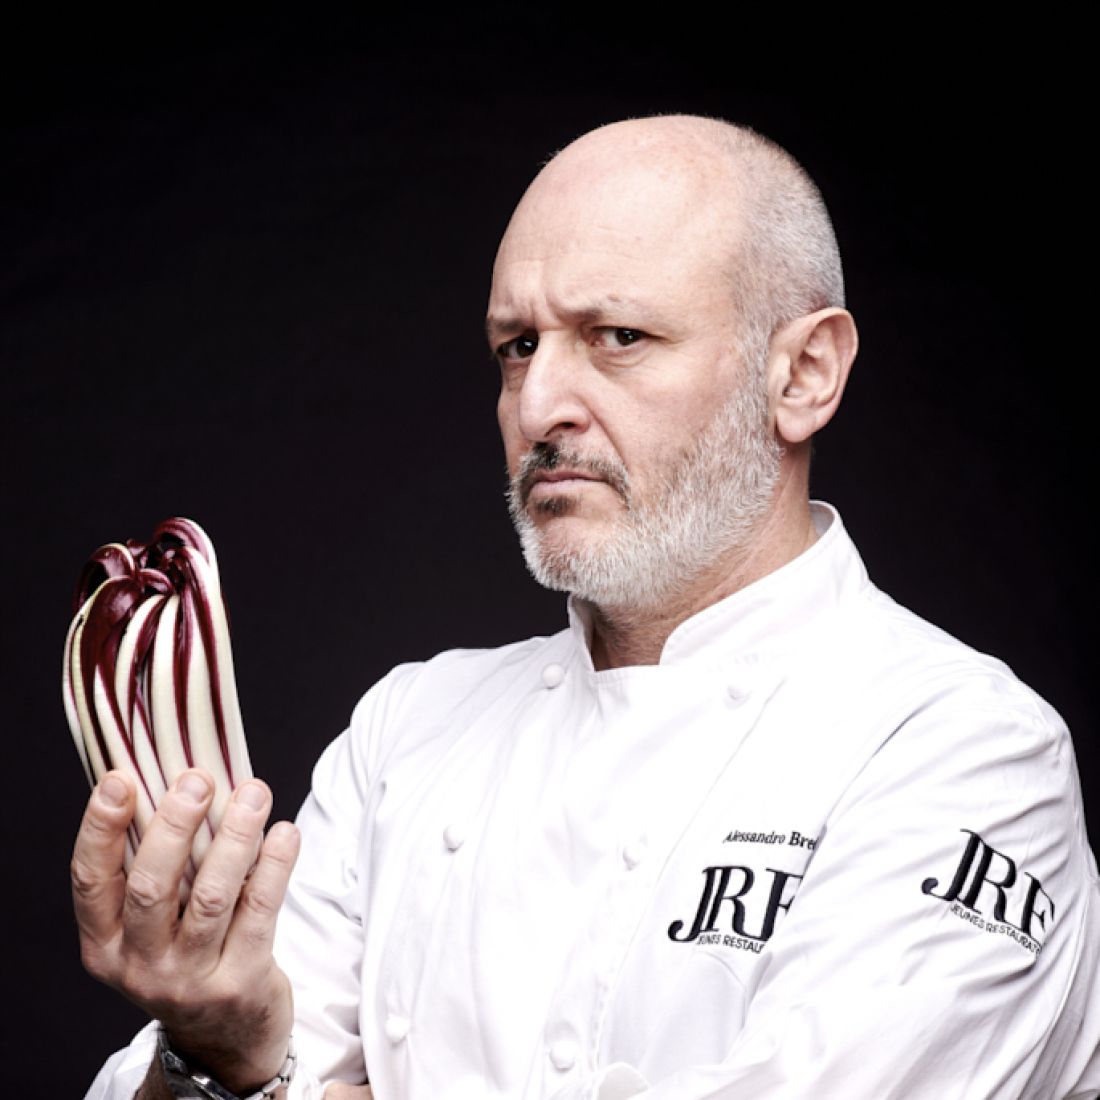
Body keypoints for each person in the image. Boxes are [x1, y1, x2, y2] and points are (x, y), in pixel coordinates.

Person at [78, 115, 1100, 1099]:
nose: (536, 408)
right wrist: (214, 1053)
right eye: (517, 346)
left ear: (802, 373)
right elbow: (182, 1081)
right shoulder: (410, 730)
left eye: (617, 336)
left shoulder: (964, 749)